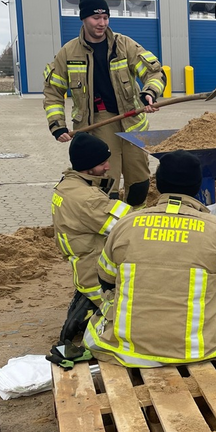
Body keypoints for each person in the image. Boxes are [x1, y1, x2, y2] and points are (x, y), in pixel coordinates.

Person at [84, 151, 216, 367]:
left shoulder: (125, 225)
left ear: (158, 185)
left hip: (127, 347)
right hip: (197, 349)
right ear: (196, 187)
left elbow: (107, 282)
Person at [43, 0, 166, 207]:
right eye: (96, 17)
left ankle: (134, 221)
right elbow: (53, 92)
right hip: (97, 124)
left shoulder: (125, 45)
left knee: (139, 181)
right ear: (83, 18)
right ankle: (108, 226)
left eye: (105, 17)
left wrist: (149, 93)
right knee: (107, 182)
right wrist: (57, 125)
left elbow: (154, 72)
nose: (102, 23)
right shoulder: (68, 53)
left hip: (132, 121)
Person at [51, 132, 132, 341]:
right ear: (88, 167)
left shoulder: (67, 186)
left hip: (83, 268)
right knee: (133, 319)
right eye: (103, 163)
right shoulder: (88, 199)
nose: (107, 167)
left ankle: (86, 303)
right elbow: (128, 226)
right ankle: (88, 317)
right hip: (96, 274)